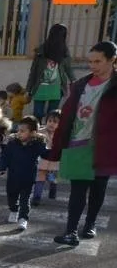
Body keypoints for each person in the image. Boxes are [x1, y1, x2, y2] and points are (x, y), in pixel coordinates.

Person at [46, 41, 117, 245]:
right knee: (77, 190)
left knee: (98, 189)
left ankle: (90, 223)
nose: (92, 66)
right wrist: (58, 144)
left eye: (98, 61)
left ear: (112, 60)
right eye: (90, 61)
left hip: (104, 146)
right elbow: (68, 115)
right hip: (78, 142)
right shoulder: (80, 85)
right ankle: (71, 231)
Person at [0, 116, 46, 231]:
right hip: (13, 177)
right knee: (11, 197)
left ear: (33, 133)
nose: (19, 133)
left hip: (28, 178)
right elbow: (5, 156)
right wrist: (2, 168)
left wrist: (45, 144)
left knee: (25, 199)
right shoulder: (12, 143)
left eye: (22, 131)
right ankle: (14, 210)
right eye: (18, 130)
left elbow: (45, 154)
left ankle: (23, 218)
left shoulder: (36, 145)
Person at [25, 23, 76, 124]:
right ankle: (36, 131)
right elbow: (34, 71)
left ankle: (50, 132)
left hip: (57, 88)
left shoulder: (64, 51)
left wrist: (74, 81)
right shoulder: (41, 50)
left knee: (52, 115)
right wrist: (28, 89)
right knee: (37, 114)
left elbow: (68, 68)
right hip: (40, 87)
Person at [33, 109, 62, 205]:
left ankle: (53, 188)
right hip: (43, 159)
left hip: (54, 160)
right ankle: (37, 197)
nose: (51, 124)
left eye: (55, 122)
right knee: (40, 178)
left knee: (52, 178)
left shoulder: (61, 134)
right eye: (49, 121)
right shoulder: (41, 132)